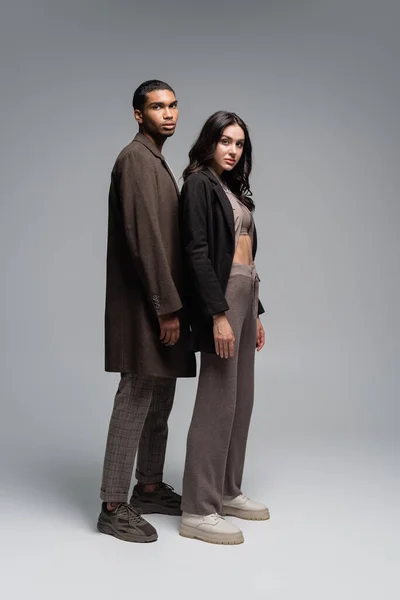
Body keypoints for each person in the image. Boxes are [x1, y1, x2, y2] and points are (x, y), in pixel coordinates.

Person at [97, 80, 196, 543]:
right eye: (158, 106)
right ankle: (114, 504)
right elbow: (145, 241)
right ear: (139, 115)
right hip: (147, 306)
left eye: (173, 105)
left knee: (161, 398)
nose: (169, 113)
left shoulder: (157, 161)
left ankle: (150, 487)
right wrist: (166, 308)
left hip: (162, 304)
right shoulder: (135, 159)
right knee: (136, 395)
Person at [178, 111, 269, 545]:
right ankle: (198, 507)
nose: (233, 151)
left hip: (246, 294)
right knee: (217, 399)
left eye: (239, 144)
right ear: (210, 141)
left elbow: (245, 254)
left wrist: (258, 313)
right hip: (222, 298)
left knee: (241, 399)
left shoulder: (230, 188)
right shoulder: (198, 183)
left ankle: (227, 491)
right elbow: (197, 253)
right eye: (226, 141)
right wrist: (217, 314)